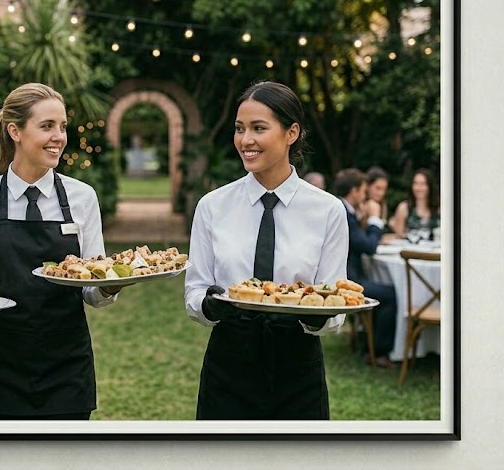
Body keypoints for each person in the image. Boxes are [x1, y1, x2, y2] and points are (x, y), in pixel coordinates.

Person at [0, 82, 121, 420]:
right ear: (14, 131)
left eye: (62, 126)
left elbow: (93, 288)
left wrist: (111, 284)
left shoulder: (82, 198)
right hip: (1, 366)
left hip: (66, 363)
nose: (59, 136)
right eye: (47, 126)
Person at [184, 81, 349, 420]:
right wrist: (212, 305)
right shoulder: (212, 206)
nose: (246, 140)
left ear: (291, 132)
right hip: (228, 362)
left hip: (298, 365)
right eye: (240, 129)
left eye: (259, 128)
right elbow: (195, 295)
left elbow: (336, 304)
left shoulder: (328, 210)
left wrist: (312, 313)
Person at [334, 168, 398, 369]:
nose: (364, 195)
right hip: (348, 281)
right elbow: (369, 247)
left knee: (384, 291)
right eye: (363, 190)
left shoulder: (344, 210)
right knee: (391, 295)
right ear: (354, 191)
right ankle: (378, 352)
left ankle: (367, 343)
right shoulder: (344, 213)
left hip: (349, 275)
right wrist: (374, 219)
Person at [389, 168, 441, 238]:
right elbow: (399, 236)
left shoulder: (439, 208)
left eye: (423, 184)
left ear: (430, 186)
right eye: (415, 183)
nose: (418, 188)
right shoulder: (404, 208)